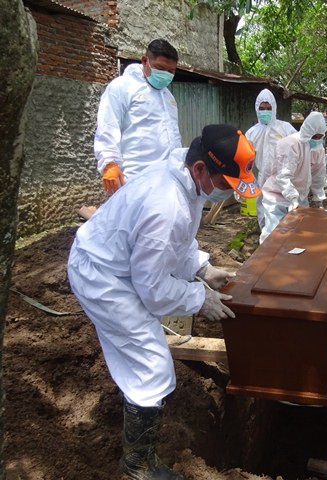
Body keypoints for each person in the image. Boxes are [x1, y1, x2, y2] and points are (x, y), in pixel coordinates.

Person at [67, 125, 260, 480]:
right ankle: (137, 464)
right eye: (224, 184)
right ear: (201, 168)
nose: (225, 193)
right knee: (152, 364)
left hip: (122, 264)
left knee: (146, 358)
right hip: (103, 276)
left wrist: (203, 268)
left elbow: (177, 244)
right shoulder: (166, 202)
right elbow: (153, 288)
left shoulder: (184, 177)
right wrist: (199, 298)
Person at [95, 39, 182, 194]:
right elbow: (108, 126)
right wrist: (109, 163)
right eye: (160, 68)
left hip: (167, 180)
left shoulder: (169, 97)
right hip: (134, 179)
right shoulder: (122, 87)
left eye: (171, 71)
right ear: (144, 61)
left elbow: (174, 138)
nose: (166, 75)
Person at [259, 111, 327, 243]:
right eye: (315, 136)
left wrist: (319, 197)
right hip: (277, 195)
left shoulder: (318, 148)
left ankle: (292, 262)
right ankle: (265, 261)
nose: (317, 139)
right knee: (273, 233)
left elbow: (318, 174)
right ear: (307, 131)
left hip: (300, 197)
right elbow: (283, 176)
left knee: (299, 234)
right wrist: (292, 196)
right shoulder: (290, 144)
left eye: (320, 136)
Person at [245, 89, 298, 228]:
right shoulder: (252, 133)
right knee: (263, 207)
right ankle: (266, 240)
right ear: (257, 109)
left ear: (274, 108)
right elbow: (245, 158)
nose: (265, 111)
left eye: (269, 108)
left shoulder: (285, 128)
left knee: (288, 206)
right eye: (262, 108)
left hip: (284, 176)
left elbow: (298, 148)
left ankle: (288, 237)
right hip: (264, 177)